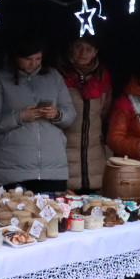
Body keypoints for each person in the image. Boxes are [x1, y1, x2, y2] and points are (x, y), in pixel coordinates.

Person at [0, 34, 76, 191]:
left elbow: (70, 113)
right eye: (28, 59)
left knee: (55, 207)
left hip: (52, 170)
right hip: (12, 171)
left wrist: (56, 114)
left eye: (38, 59)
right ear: (15, 57)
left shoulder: (53, 77)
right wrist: (19, 117)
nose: (34, 64)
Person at [58, 36, 113, 193]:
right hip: (63, 152)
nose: (83, 53)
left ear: (95, 52)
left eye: (89, 49)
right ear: (71, 47)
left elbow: (104, 111)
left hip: (94, 154)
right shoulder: (58, 75)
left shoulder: (102, 76)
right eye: (79, 47)